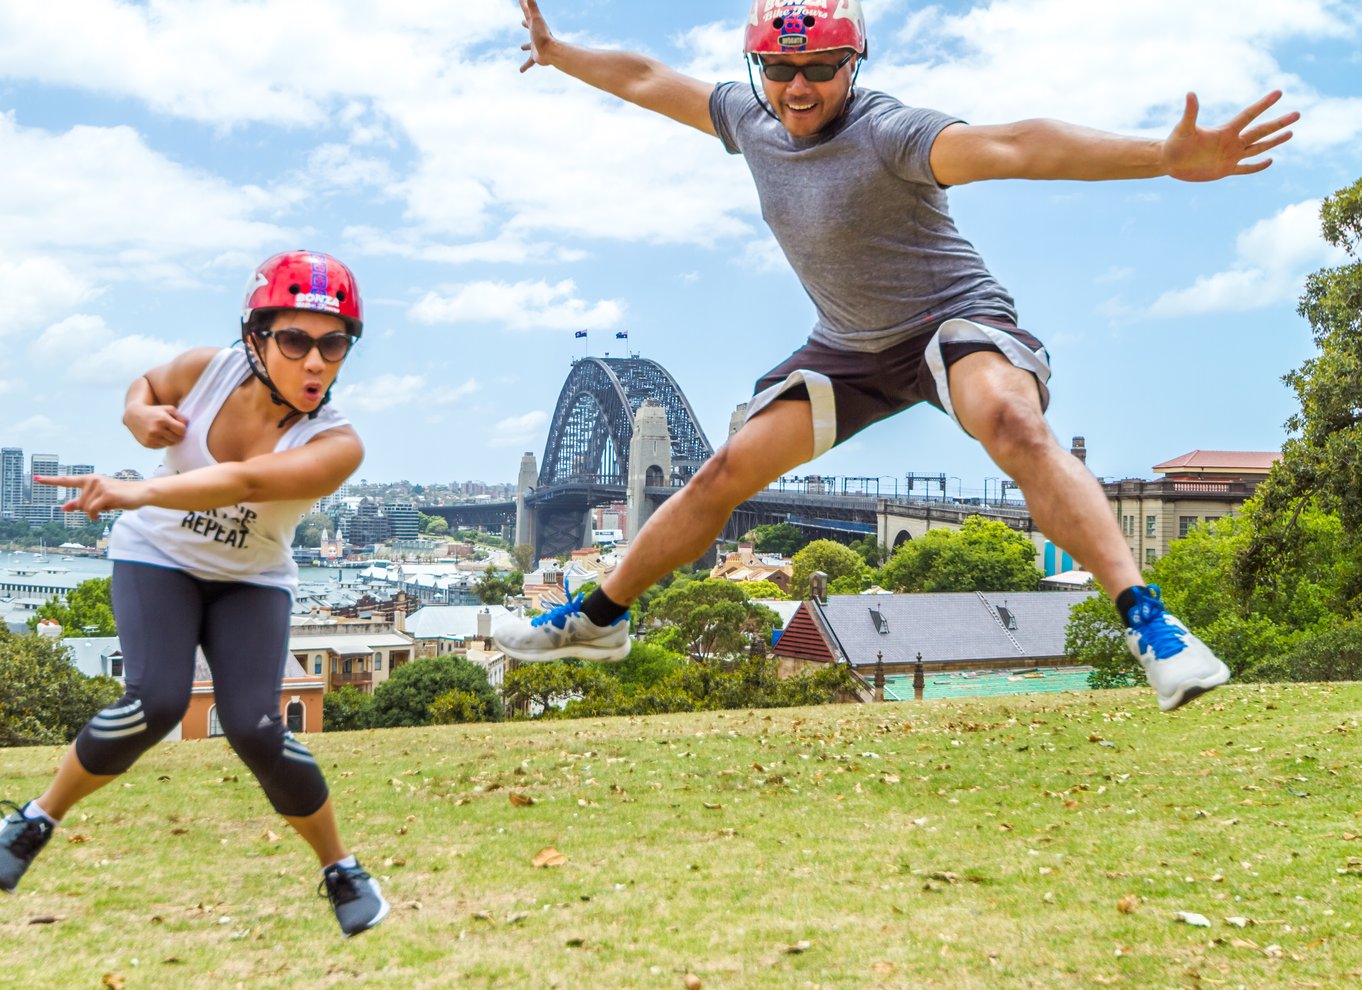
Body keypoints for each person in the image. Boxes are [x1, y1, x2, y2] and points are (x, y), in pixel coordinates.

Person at [494, 0, 1299, 711]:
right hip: (847, 344)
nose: (797, 87)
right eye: (779, 68)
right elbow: (643, 76)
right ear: (758, 67)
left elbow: (1017, 144)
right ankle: (597, 620)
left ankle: (1148, 625)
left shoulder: (891, 134)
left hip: (951, 320)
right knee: (722, 473)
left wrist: (1159, 156)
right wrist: (560, 53)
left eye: (819, 67)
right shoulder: (750, 122)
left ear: (853, 65)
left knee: (1013, 424)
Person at [0, 251, 389, 937]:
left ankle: (342, 869)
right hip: (157, 558)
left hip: (252, 578)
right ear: (256, 337)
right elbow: (145, 386)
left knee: (256, 727)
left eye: (334, 344)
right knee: (156, 701)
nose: (315, 364)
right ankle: (34, 821)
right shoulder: (205, 371)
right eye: (295, 340)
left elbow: (243, 482)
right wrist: (137, 417)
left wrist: (135, 486)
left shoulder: (338, 443)